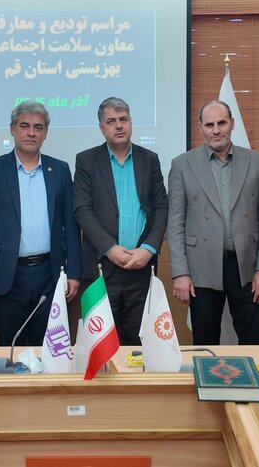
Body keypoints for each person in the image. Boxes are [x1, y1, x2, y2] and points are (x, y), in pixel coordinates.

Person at [0, 101, 81, 346]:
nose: (31, 133)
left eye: (38, 127)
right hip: (8, 275)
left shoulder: (59, 170)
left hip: (50, 274)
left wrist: (73, 272)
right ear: (12, 129)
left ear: (45, 133)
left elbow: (71, 225)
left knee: (50, 347)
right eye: (24, 126)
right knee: (11, 347)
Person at [167, 100, 259, 344]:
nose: (216, 130)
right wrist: (180, 273)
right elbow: (175, 223)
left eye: (222, 123)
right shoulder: (182, 165)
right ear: (200, 127)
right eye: (209, 125)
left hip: (247, 267)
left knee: (255, 341)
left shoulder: (256, 161)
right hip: (201, 269)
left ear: (232, 123)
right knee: (205, 344)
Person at [73, 97, 168, 345]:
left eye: (123, 119)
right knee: (101, 345)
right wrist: (109, 248)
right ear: (101, 127)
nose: (118, 126)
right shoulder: (86, 160)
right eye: (111, 121)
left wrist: (148, 248)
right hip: (102, 270)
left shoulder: (149, 159)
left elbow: (161, 207)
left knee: (140, 345)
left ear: (131, 122)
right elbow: (82, 210)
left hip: (142, 267)